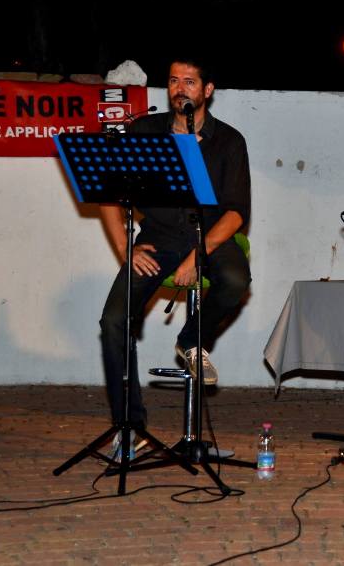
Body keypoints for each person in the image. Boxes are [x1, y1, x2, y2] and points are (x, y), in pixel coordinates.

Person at [97, 56, 251, 434]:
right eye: (173, 81)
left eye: (189, 82)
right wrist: (126, 249)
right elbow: (108, 197)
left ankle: (191, 340)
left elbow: (236, 213)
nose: (179, 89)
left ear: (207, 90)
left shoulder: (229, 141)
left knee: (235, 280)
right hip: (159, 237)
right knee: (114, 320)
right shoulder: (143, 131)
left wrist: (198, 254)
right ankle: (129, 425)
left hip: (210, 235)